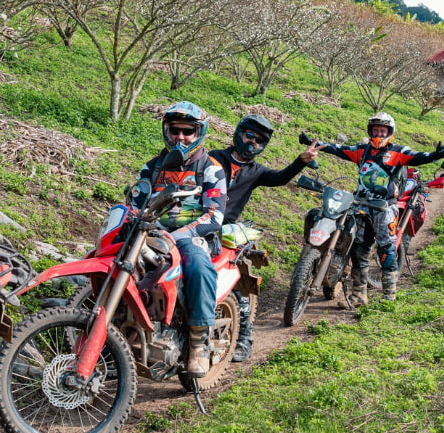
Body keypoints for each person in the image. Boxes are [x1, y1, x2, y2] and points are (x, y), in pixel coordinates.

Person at [209, 114, 321, 363]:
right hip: (198, 223)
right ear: (240, 133)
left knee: (233, 282)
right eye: (250, 135)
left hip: (227, 230)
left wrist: (301, 161)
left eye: (260, 140)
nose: (253, 142)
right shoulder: (213, 157)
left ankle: (244, 338)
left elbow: (280, 178)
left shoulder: (256, 171)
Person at [128, 101, 226, 378]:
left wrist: (177, 235)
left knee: (197, 265)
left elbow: (214, 216)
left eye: (187, 131)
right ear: (166, 131)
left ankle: (198, 343)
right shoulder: (152, 167)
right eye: (174, 130)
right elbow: (136, 202)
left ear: (199, 133)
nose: (180, 137)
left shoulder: (211, 169)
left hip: (193, 236)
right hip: (151, 234)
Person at [312, 112, 444, 304]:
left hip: (385, 208)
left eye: (382, 131)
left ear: (389, 132)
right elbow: (338, 149)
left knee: (386, 249)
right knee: (359, 249)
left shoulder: (398, 151)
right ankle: (359, 295)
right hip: (361, 206)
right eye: (375, 130)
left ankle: (389, 295)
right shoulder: (362, 151)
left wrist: (434, 156)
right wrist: (315, 143)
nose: (378, 134)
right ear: (370, 131)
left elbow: (417, 156)